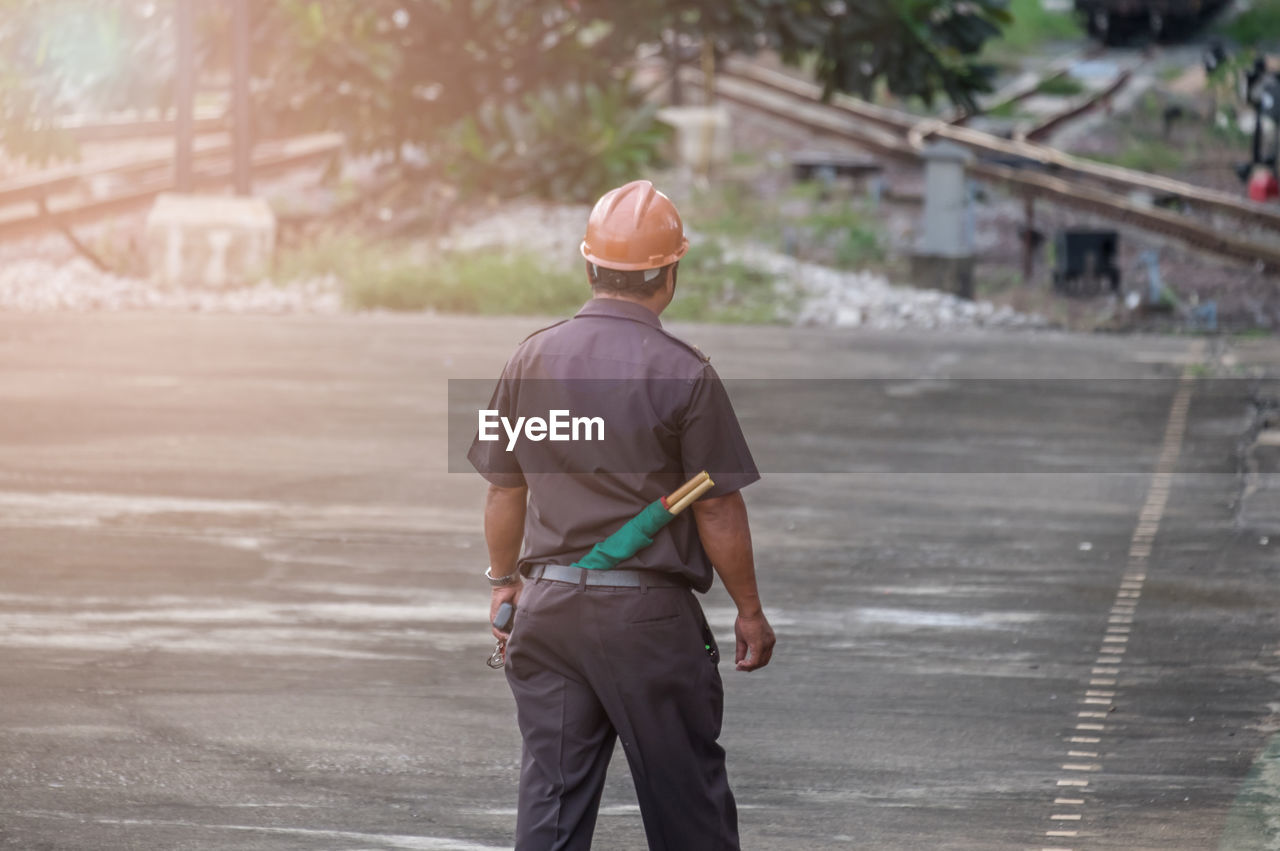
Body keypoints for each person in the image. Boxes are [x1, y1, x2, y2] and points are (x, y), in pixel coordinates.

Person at [468, 179, 775, 851]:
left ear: (589, 265)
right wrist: (748, 609)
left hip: (547, 612)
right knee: (688, 811)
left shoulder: (528, 357)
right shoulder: (686, 374)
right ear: (669, 273)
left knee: (548, 816)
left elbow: (503, 489)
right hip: (647, 624)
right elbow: (718, 504)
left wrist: (502, 583)